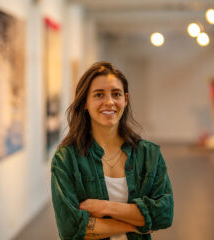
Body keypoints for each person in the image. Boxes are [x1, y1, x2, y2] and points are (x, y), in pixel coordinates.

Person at [51, 61, 174, 240]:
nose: (109, 102)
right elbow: (71, 228)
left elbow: (164, 214)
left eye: (116, 94)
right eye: (99, 95)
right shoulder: (66, 159)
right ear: (85, 102)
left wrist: (105, 207)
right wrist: (138, 225)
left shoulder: (149, 155)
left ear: (125, 99)